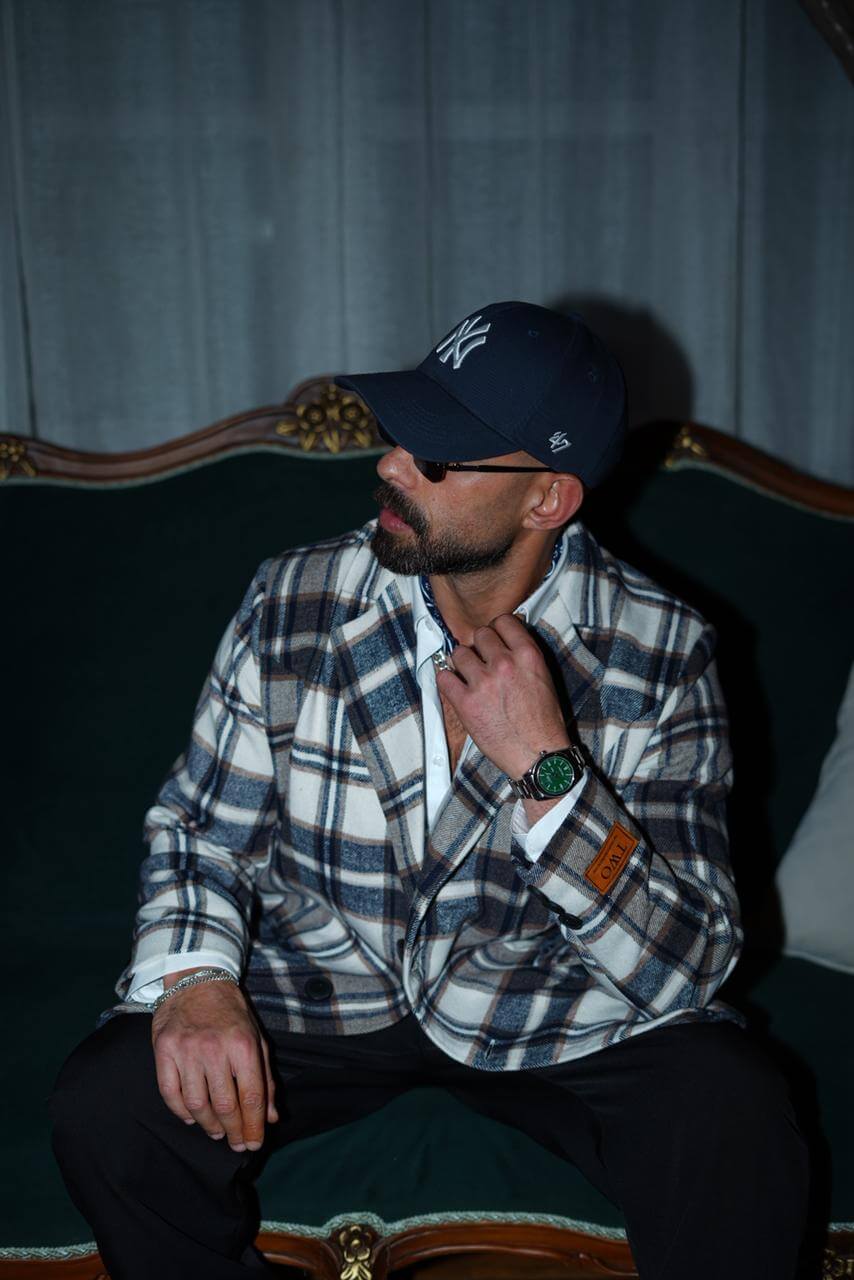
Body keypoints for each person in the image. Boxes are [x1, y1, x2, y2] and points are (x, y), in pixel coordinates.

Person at [50, 301, 808, 1280]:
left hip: (549, 1004)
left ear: (547, 499)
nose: (392, 466)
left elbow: (687, 962)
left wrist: (550, 772)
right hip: (320, 995)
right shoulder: (294, 600)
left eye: (436, 457)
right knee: (110, 1102)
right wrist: (195, 980)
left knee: (734, 1111)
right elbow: (200, 831)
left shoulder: (659, 653)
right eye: (401, 432)